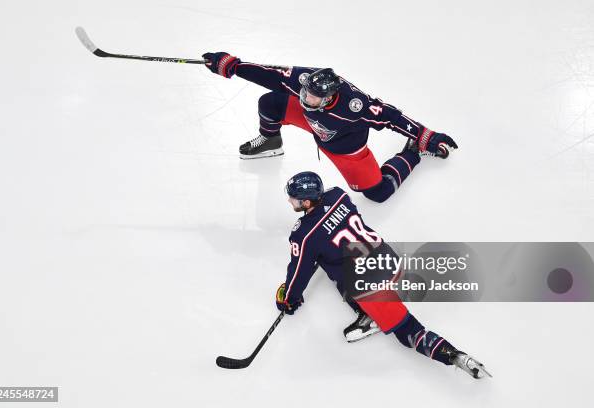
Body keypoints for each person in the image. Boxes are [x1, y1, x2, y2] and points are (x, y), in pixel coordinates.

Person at [275, 171, 490, 378]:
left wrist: (289, 300)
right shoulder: (338, 194)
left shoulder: (303, 234)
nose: (289, 201)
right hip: (390, 262)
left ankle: (453, 356)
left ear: (306, 203)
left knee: (409, 331)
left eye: (294, 199)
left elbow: (298, 273)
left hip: (372, 286)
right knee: (336, 258)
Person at [202, 52, 458, 203]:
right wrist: (232, 66)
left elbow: (391, 117)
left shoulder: (355, 107)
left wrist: (425, 135)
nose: (305, 97)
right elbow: (271, 75)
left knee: (377, 193)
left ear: (329, 98)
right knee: (270, 102)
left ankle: (412, 152)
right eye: (305, 92)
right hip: (315, 123)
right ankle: (271, 141)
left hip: (344, 146)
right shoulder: (306, 82)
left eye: (312, 97)